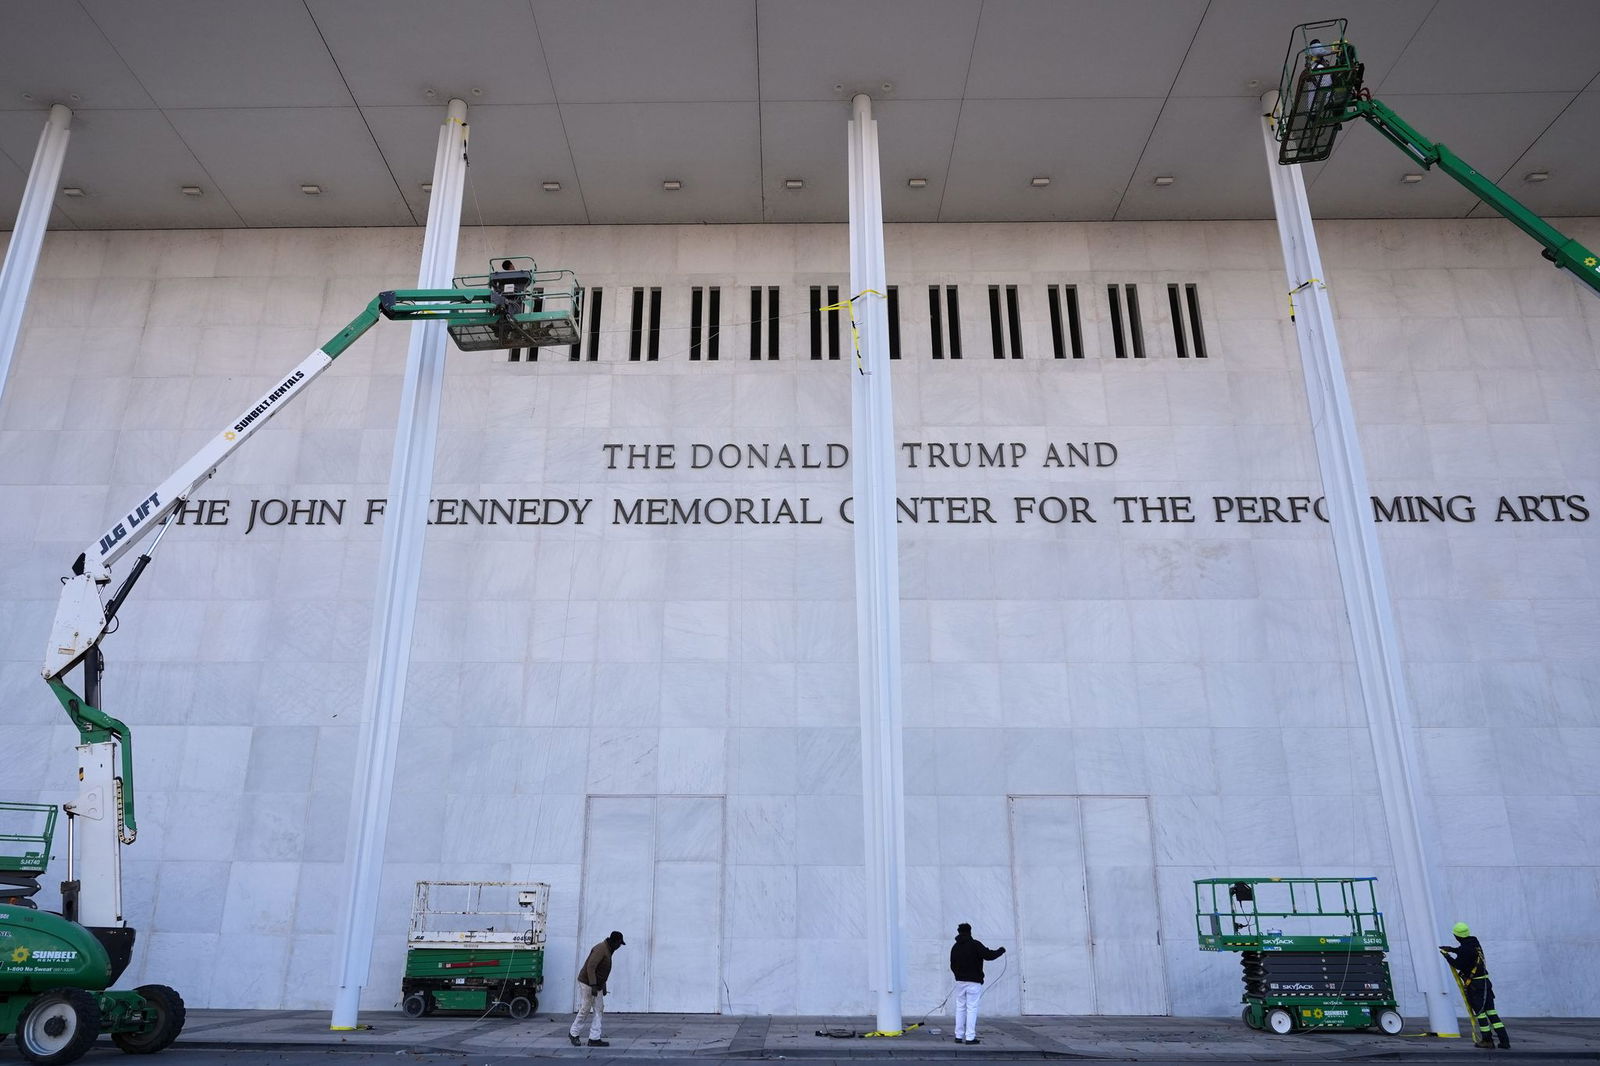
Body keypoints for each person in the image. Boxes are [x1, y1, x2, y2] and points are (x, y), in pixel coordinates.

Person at [1440, 922, 1510, 1049]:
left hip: (1476, 987)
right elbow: (1467, 953)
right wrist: (1453, 949)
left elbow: (1458, 965)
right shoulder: (1475, 943)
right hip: (1485, 984)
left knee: (1481, 1013)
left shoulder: (1465, 949)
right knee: (1492, 1012)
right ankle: (1504, 1041)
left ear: (1457, 936)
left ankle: (1487, 1040)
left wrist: (1447, 956)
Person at [949, 922, 1005, 1045]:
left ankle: (958, 1036)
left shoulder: (955, 947)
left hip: (960, 982)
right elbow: (989, 955)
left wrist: (958, 975)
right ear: (970, 931)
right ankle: (970, 1037)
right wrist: (1001, 951)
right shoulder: (975, 945)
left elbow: (952, 965)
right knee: (971, 1008)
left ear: (959, 932)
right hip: (974, 982)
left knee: (960, 1008)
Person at [569, 930, 624, 1047]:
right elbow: (591, 967)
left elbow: (602, 971)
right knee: (585, 1008)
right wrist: (593, 985)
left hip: (596, 984)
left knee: (599, 1009)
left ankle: (594, 1038)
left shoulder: (608, 950)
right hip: (587, 982)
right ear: (615, 941)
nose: (620, 946)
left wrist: (603, 985)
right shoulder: (601, 949)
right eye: (619, 943)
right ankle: (573, 1033)